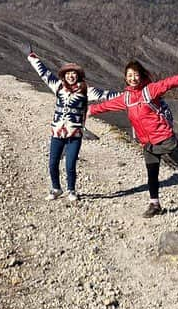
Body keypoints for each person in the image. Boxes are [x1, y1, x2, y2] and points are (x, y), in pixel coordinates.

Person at [89, 60, 178, 217]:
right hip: (147, 143)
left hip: (163, 136)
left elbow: (170, 83)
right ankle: (154, 204)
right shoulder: (126, 98)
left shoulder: (150, 90)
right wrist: (91, 110)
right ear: (125, 78)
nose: (133, 78)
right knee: (152, 174)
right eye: (129, 76)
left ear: (141, 76)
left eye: (135, 75)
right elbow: (108, 105)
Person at [27, 46, 118, 202]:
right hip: (57, 132)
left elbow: (106, 95)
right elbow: (44, 73)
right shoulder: (58, 87)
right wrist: (33, 58)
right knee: (53, 162)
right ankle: (56, 188)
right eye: (68, 73)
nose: (71, 76)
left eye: (73, 74)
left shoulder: (86, 91)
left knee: (70, 164)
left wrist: (129, 95)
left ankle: (71, 190)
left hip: (75, 134)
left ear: (78, 76)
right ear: (64, 75)